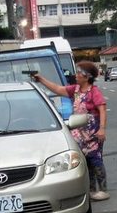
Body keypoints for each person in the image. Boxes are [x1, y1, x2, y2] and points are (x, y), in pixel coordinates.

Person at [32, 61, 110, 201]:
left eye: (79, 73)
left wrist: (102, 129)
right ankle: (91, 190)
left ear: (87, 77)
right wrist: (41, 79)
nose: (76, 75)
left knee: (95, 160)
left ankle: (103, 189)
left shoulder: (94, 92)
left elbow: (102, 109)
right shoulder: (74, 90)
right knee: (84, 161)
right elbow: (57, 89)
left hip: (93, 133)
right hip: (78, 133)